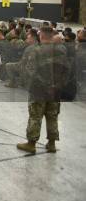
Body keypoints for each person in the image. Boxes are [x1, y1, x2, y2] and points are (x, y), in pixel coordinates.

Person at [17, 26, 69, 154]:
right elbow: (67, 70)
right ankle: (51, 144)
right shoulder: (61, 51)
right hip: (55, 91)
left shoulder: (36, 51)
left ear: (41, 35)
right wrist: (58, 86)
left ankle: (31, 143)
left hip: (39, 90)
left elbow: (31, 71)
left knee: (35, 116)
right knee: (52, 117)